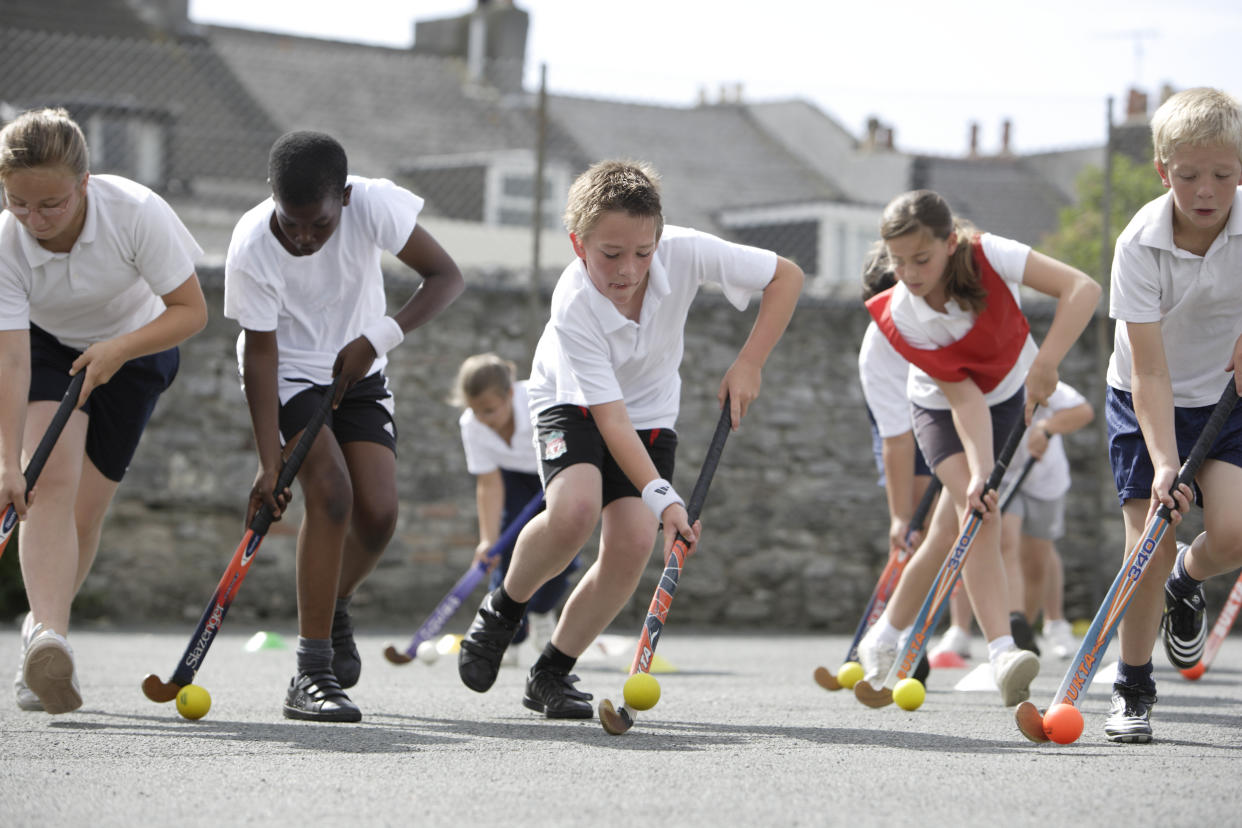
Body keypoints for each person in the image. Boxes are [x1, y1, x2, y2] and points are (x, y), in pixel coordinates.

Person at [457, 159, 803, 717]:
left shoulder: (686, 250)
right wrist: (665, 498)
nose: (629, 270)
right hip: (571, 398)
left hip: (650, 407)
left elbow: (786, 276)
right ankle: (504, 608)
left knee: (633, 545)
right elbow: (608, 420)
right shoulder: (574, 304)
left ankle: (551, 673)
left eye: (643, 253)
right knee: (574, 511)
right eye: (610, 255)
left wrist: (750, 363)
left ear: (659, 238)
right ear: (578, 244)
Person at [224, 131, 464, 722]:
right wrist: (268, 460)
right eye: (292, 223)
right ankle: (311, 672)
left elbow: (445, 277)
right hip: (289, 376)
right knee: (331, 496)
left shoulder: (375, 204)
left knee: (379, 516)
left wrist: (379, 336)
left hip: (360, 368)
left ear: (345, 199)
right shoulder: (253, 243)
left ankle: (332, 606)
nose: (304, 238)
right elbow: (260, 354)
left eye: (319, 225)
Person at [856, 188, 1099, 707]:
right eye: (898, 262)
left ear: (950, 243)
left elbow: (1082, 288)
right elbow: (962, 396)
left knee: (950, 527)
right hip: (941, 409)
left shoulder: (991, 254)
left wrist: (1048, 361)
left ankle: (884, 636)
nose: (911, 273)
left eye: (921, 259)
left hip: (1013, 393)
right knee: (978, 511)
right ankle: (1002, 651)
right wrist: (980, 475)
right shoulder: (904, 313)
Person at [0, 107, 207, 713]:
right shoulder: (6, 243)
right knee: (48, 484)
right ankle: (48, 640)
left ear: (84, 183)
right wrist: (8, 462)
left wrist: (116, 350)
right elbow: (11, 361)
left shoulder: (137, 213)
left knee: (86, 516)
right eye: (18, 203)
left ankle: (39, 636)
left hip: (139, 346)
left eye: (50, 205)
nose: (33, 220)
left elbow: (190, 311)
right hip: (45, 347)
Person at [1104, 87, 1242, 744]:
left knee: (1236, 535)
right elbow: (1150, 370)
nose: (1206, 190)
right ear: (1164, 171)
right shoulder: (1138, 245)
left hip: (1225, 400)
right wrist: (1163, 464)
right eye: (1188, 175)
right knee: (1149, 544)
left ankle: (1189, 581)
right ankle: (1132, 685)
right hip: (1143, 400)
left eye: (1222, 173)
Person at [930, 381, 1095, 663]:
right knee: (1004, 539)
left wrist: (1046, 428)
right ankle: (1009, 630)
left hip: (1045, 480)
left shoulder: (1031, 374)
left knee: (1037, 560)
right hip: (1002, 475)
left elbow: (1083, 411)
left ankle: (1025, 628)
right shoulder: (979, 381)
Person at [451, 353, 580, 663]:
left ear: (509, 394)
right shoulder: (472, 423)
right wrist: (487, 539)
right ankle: (508, 633)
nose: (482, 419)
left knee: (563, 551)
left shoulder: (537, 401)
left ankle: (541, 610)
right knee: (506, 552)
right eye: (475, 410)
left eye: (490, 410)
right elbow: (489, 483)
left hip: (553, 470)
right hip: (512, 480)